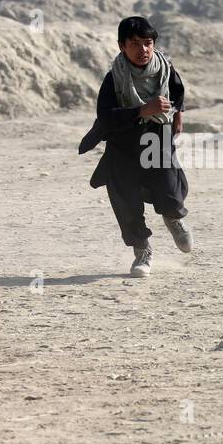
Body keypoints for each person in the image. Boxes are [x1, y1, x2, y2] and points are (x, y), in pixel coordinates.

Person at [78, 15, 193, 277]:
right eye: (135, 44)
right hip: (123, 146)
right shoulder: (114, 78)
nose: (143, 50)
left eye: (147, 43)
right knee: (126, 202)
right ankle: (142, 252)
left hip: (156, 138)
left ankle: (174, 219)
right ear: (121, 46)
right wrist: (141, 111)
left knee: (169, 188)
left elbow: (177, 92)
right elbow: (106, 116)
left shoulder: (165, 68)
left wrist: (178, 115)